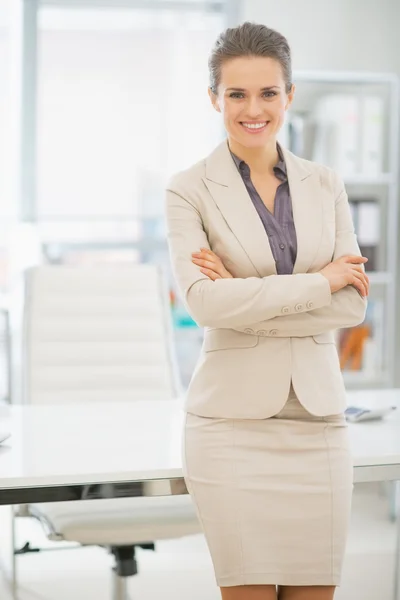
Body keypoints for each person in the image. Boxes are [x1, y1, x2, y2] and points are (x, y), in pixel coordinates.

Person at [165, 21, 369, 600]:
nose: (253, 109)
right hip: (230, 429)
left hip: (319, 424)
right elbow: (204, 303)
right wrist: (318, 281)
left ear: (289, 95)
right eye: (236, 94)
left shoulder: (325, 183)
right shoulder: (189, 189)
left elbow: (351, 305)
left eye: (267, 93)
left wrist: (246, 297)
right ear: (214, 99)